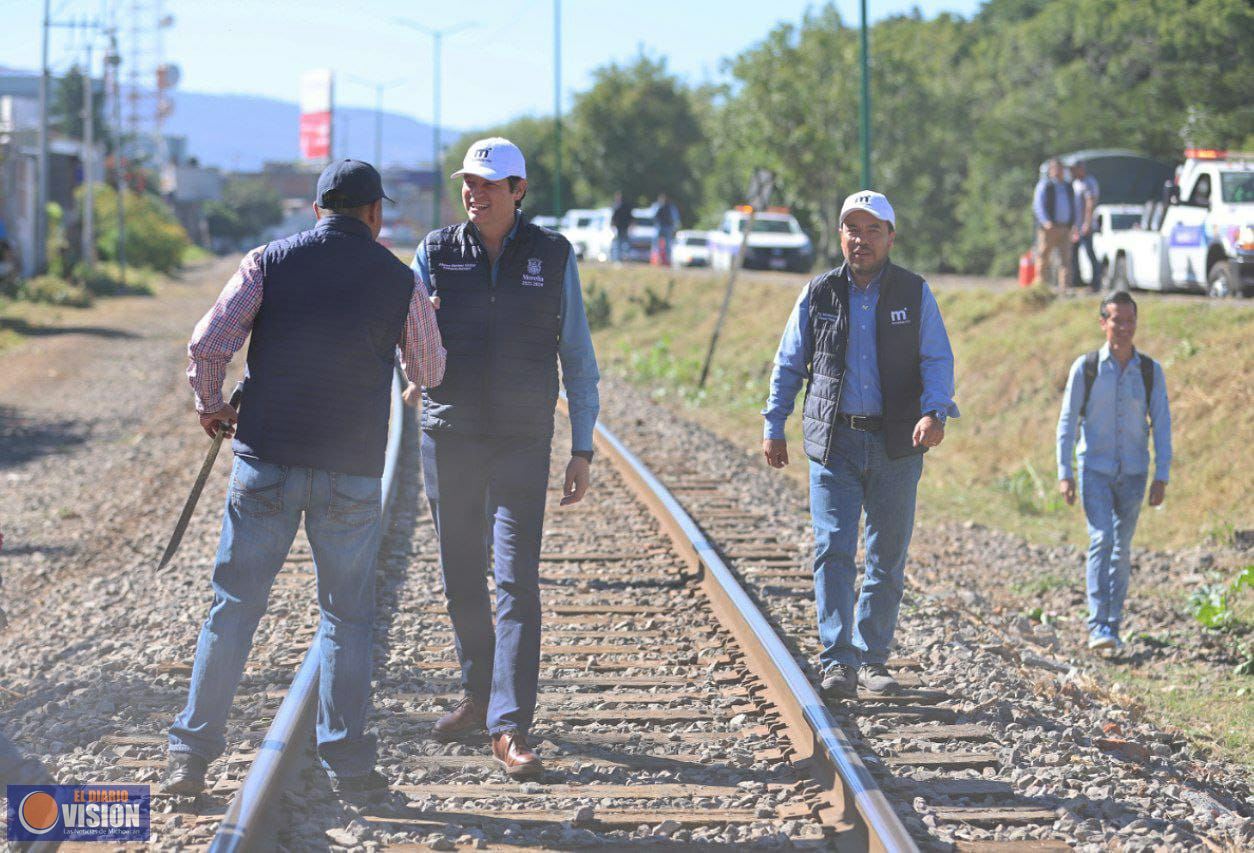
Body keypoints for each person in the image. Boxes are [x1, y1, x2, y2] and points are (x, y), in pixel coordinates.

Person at [164, 159, 446, 796]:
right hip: (348, 472)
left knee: (233, 609)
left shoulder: (269, 261)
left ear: (317, 209)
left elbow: (210, 344)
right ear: (375, 215)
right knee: (346, 619)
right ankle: (347, 763)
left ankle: (191, 758)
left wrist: (212, 406)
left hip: (266, 461)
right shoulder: (397, 280)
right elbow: (428, 372)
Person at [411, 137, 600, 779]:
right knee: (461, 573)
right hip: (448, 432)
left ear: (519, 191)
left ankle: (511, 724)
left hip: (522, 438)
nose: (476, 194)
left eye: (490, 185)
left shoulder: (553, 255)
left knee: (516, 576)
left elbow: (577, 355)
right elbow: (401, 331)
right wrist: (407, 362)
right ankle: (479, 693)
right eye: (469, 183)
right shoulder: (435, 252)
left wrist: (582, 446)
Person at [762, 191, 958, 701]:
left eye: (873, 230)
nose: (861, 239)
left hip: (896, 443)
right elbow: (789, 363)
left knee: (886, 556)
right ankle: (837, 661)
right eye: (853, 229)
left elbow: (936, 359)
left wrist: (934, 413)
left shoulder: (915, 294)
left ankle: (873, 661)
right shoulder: (818, 293)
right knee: (833, 550)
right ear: (840, 235)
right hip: (835, 442)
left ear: (891, 237)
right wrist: (773, 423)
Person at [1056, 291, 1171, 652]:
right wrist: (1065, 471)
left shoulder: (1150, 371)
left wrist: (1162, 474)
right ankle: (1096, 625)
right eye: (1116, 320)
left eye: (1129, 321)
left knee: (1121, 549)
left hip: (1135, 473)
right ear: (1103, 323)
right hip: (1095, 470)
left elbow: (1163, 424)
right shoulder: (1086, 367)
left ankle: (1112, 626)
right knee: (1101, 539)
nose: (1123, 328)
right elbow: (1068, 421)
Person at [1033, 158, 1076, 294]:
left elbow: (1073, 206)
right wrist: (1046, 221)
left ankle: (1065, 288)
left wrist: (1073, 224)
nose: (1058, 172)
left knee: (1066, 259)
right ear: (1051, 171)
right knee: (1044, 257)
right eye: (1056, 169)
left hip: (1065, 227)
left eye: (1060, 169)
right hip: (1049, 227)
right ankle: (1041, 287)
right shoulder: (1045, 185)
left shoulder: (1068, 187)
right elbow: (1038, 205)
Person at [1071, 161, 1101, 291]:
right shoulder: (1075, 183)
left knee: (1090, 253)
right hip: (1075, 226)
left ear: (1081, 169)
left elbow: (1090, 204)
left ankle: (1096, 283)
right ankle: (1077, 281)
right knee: (1073, 254)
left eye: (1075, 169)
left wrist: (1087, 223)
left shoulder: (1089, 182)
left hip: (1085, 225)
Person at [652, 192, 679, 266]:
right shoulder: (656, 206)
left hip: (667, 227)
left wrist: (674, 228)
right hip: (659, 227)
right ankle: (656, 259)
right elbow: (653, 216)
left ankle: (667, 260)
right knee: (656, 244)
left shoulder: (670, 207)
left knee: (667, 245)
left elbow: (675, 218)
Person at [610, 192, 633, 263]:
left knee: (625, 243)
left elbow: (630, 216)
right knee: (619, 243)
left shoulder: (625, 206)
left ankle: (627, 258)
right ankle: (618, 259)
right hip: (619, 227)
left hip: (625, 227)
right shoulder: (615, 206)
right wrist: (612, 225)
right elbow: (613, 217)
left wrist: (631, 224)